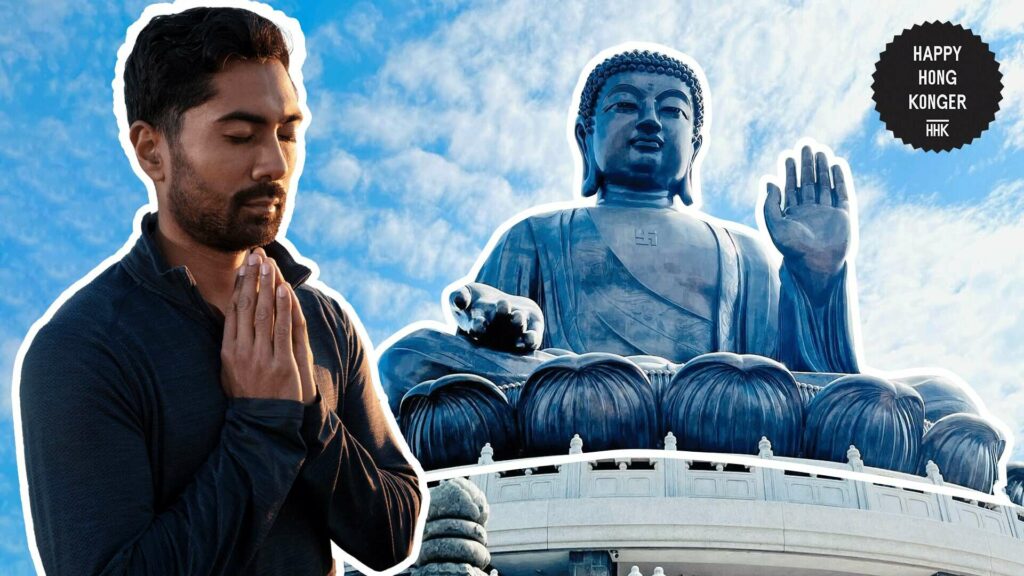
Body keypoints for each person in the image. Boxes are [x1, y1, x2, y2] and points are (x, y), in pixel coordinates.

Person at [16, 6, 422, 575]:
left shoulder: (321, 318)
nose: (275, 164)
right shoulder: (82, 348)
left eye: (288, 133)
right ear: (151, 150)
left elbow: (395, 532)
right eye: (239, 136)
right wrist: (262, 423)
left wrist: (307, 414)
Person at [378, 49, 860, 416]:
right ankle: (618, 391)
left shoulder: (745, 253)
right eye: (627, 105)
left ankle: (630, 394)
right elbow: (482, 333)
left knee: (927, 397)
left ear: (693, 147)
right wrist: (497, 316)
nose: (650, 120)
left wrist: (817, 275)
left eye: (672, 110)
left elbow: (804, 380)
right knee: (409, 357)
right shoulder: (538, 235)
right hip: (572, 394)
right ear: (585, 137)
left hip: (715, 408)